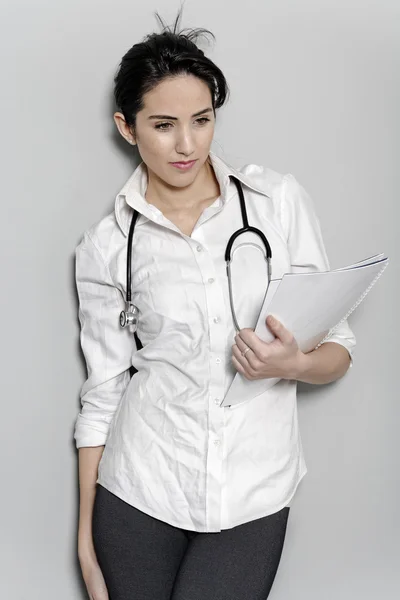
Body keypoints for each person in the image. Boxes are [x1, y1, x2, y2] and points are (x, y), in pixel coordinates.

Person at [74, 10, 356, 600]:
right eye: (164, 125)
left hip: (253, 489)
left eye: (202, 121)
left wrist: (295, 366)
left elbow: (339, 348)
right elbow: (103, 393)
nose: (187, 144)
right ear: (127, 128)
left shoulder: (276, 203)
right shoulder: (107, 248)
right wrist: (84, 534)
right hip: (139, 490)